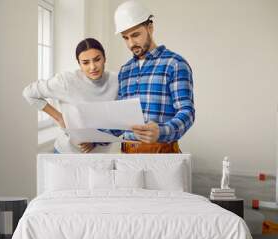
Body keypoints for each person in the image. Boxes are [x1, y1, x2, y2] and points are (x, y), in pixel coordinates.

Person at [110, 0, 195, 153]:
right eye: (125, 37)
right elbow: (121, 120)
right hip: (127, 154)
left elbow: (187, 112)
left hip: (162, 154)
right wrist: (94, 137)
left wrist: (161, 131)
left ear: (150, 27)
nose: (131, 44)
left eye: (135, 35)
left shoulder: (174, 64)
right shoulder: (125, 71)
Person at [23, 38, 118, 153]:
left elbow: (118, 120)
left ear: (104, 58)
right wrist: (59, 117)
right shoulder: (67, 81)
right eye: (85, 63)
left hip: (100, 155)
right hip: (66, 153)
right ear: (79, 64)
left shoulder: (117, 80)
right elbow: (29, 93)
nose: (92, 67)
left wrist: (95, 142)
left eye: (97, 59)